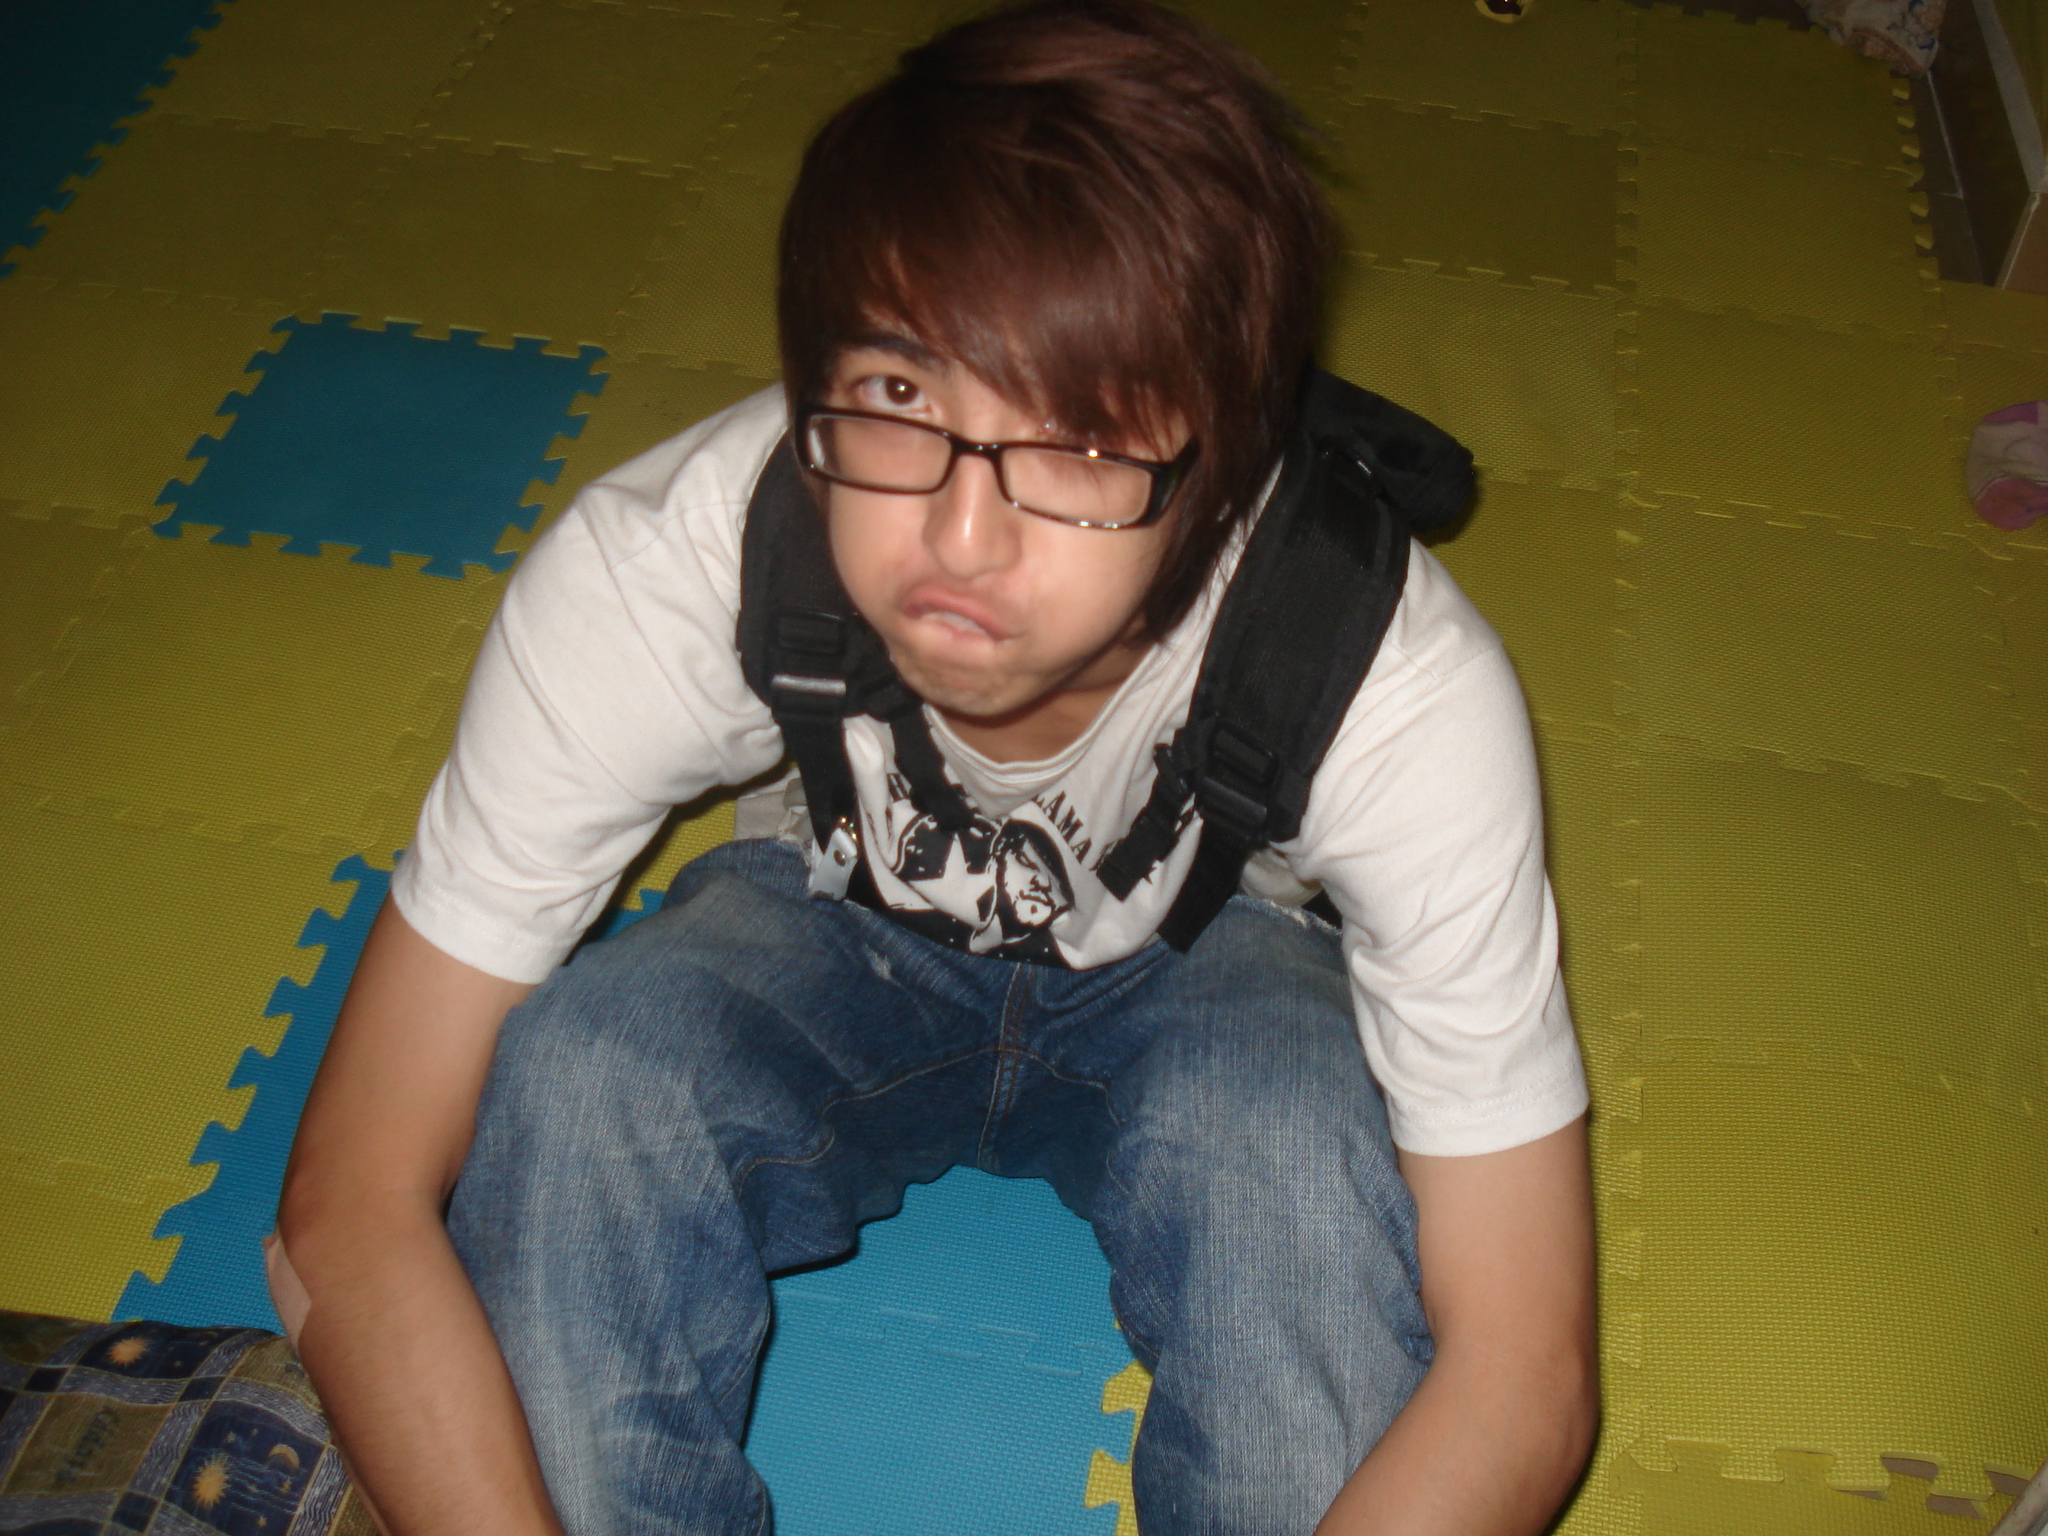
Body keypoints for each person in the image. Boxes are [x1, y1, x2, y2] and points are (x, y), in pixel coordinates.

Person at [275, 2, 1600, 1533]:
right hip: (827, 899)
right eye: (900, 400)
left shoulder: (1385, 682)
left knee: (1292, 1164)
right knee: (591, 1080)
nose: (961, 540)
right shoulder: (669, 572)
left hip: (1217, 954)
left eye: (1080, 443)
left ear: (1225, 458)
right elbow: (347, 1207)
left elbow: (1525, 1370)